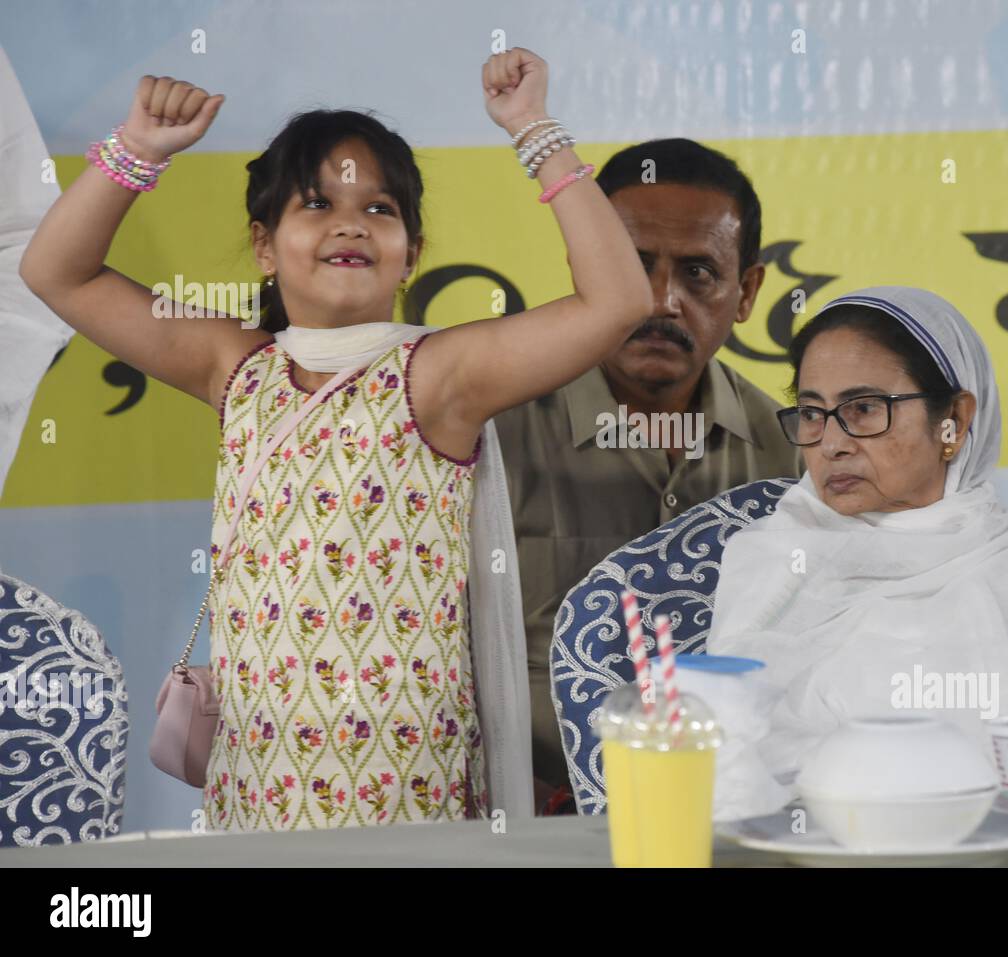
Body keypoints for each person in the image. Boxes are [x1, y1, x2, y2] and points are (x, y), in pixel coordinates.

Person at [18, 49, 653, 831]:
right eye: (316, 204)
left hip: (404, 790)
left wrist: (532, 129)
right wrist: (137, 151)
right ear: (263, 244)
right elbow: (58, 273)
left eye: (380, 209)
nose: (351, 221)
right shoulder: (235, 367)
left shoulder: (439, 376)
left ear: (411, 253)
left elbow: (618, 301)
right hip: (255, 785)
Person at [706, 286, 1008, 810]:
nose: (830, 443)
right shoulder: (770, 562)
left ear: (954, 423)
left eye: (864, 408)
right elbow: (728, 770)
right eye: (811, 413)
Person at [492, 138, 802, 811]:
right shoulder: (492, 436)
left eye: (698, 273)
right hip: (526, 820)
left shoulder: (795, 457)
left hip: (731, 820)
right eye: (633, 267)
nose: (663, 301)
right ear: (588, 267)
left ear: (746, 291)